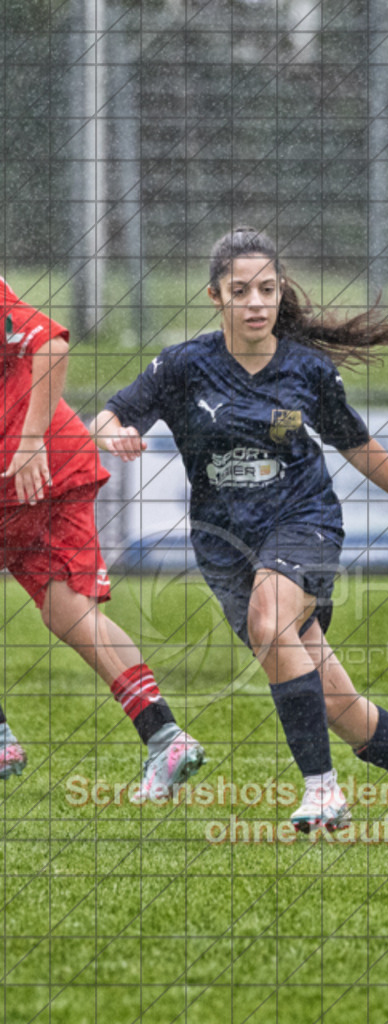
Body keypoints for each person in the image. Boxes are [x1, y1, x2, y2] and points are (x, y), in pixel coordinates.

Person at [92, 226, 388, 838]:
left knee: (270, 622)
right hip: (226, 549)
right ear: (215, 296)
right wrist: (111, 430)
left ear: (281, 294)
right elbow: (112, 412)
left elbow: (354, 442)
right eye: (241, 290)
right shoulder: (182, 366)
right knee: (341, 709)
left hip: (305, 521)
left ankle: (322, 794)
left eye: (267, 289)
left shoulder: (306, 369)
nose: (255, 302)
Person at [0, 276, 205, 796]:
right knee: (68, 610)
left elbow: (51, 344)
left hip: (29, 464)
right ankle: (164, 736)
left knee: (67, 609)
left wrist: (27, 443)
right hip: (58, 462)